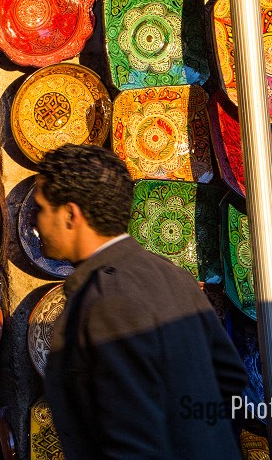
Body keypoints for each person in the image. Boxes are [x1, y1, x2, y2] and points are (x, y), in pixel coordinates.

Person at [35, 143, 248, 460]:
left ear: (69, 214)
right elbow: (231, 381)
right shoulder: (173, 276)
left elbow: (132, 440)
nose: (37, 226)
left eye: (41, 209)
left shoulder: (108, 301)